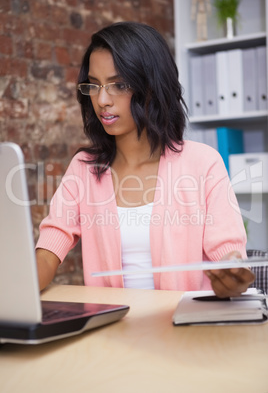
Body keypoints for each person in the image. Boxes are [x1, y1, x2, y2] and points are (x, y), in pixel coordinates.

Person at [36, 21, 255, 297]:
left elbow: (230, 257)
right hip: (112, 333)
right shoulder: (84, 169)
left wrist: (232, 276)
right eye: (94, 85)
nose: (102, 99)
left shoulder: (203, 163)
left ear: (151, 86)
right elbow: (47, 253)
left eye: (118, 85)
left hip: (185, 331)